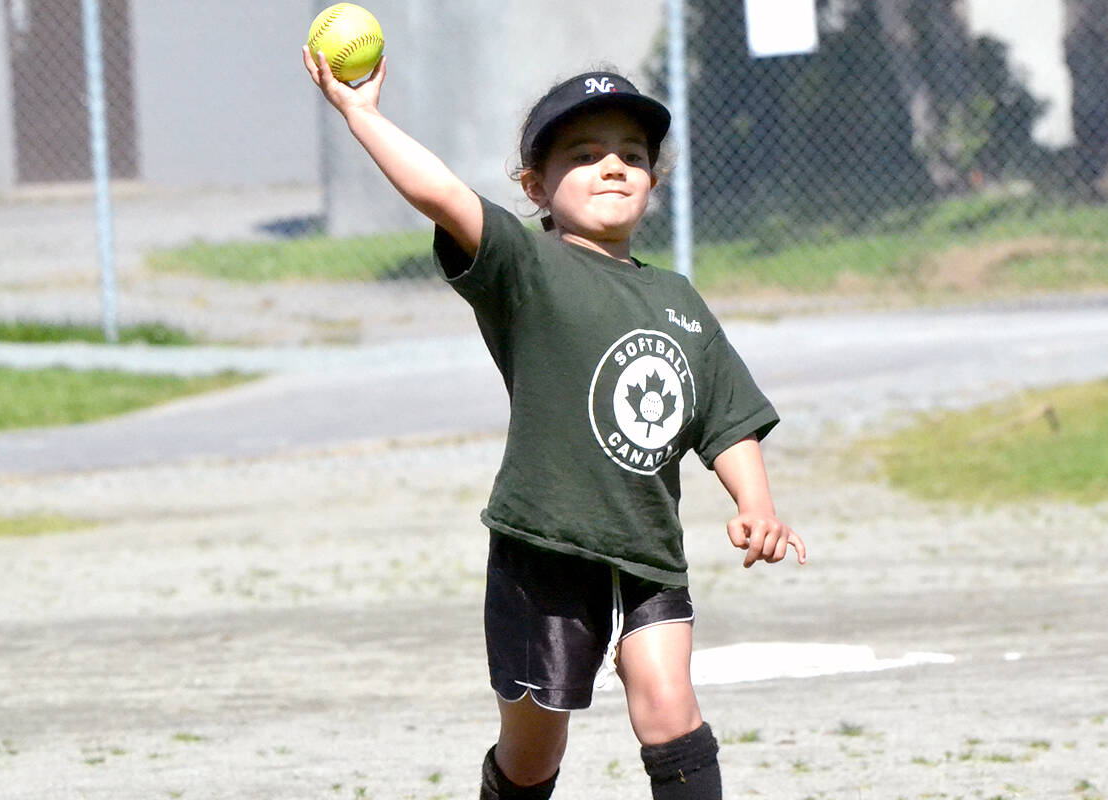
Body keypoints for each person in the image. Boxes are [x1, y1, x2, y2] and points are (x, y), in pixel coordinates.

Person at [302, 47, 806, 800]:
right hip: (545, 539)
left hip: (644, 545)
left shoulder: (679, 300)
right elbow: (440, 194)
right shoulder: (525, 268)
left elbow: (724, 418)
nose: (613, 167)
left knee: (671, 710)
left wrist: (756, 505)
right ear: (535, 185)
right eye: (584, 153)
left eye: (631, 155)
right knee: (534, 751)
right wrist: (363, 114)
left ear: (654, 182)